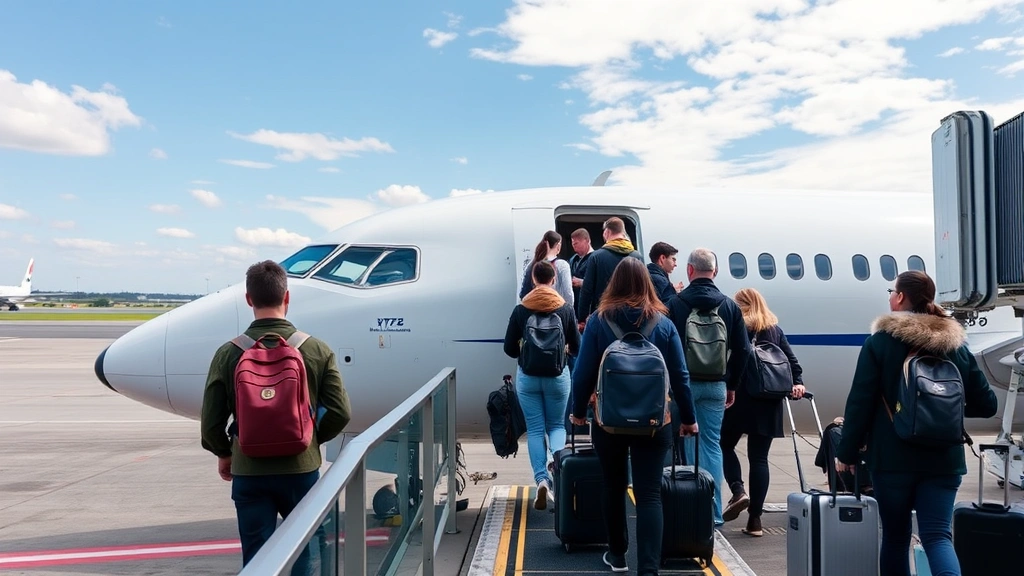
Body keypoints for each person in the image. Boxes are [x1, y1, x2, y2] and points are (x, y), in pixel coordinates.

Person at [835, 271, 998, 576]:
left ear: (899, 298)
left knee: (896, 538)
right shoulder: (955, 346)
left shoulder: (880, 343)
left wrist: (846, 453)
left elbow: (860, 403)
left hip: (892, 458)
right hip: (944, 459)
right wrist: (943, 410)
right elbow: (987, 404)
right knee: (938, 537)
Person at [200, 260, 352, 573]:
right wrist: (307, 437)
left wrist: (224, 453)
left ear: (248, 299)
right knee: (304, 553)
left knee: (256, 557)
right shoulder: (316, 350)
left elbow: (211, 421)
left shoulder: (229, 353)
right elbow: (340, 411)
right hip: (301, 468)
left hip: (249, 470)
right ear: (287, 297)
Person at [571, 257, 698, 575]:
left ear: (614, 283)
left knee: (613, 487)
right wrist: (689, 418)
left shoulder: (599, 321)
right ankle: (649, 569)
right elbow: (680, 376)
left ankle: (617, 555)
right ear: (646, 283)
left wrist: (577, 414)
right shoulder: (664, 323)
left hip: (608, 422)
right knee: (650, 494)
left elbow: (583, 372)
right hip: (656, 423)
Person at [667, 248, 751, 527]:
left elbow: (666, 348)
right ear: (714, 272)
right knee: (712, 447)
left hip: (683, 386)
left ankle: (691, 510)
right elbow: (743, 350)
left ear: (690, 271)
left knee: (685, 446)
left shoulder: (675, 304)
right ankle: (714, 514)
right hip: (716, 385)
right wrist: (731, 383)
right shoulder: (729, 306)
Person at [720, 287, 805, 537]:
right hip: (768, 400)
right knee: (759, 459)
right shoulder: (774, 330)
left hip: (738, 398)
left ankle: (738, 490)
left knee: (724, 445)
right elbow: (791, 362)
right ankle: (755, 520)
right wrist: (798, 382)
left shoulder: (735, 326)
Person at [504, 260, 580, 510]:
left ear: (534, 279)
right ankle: (556, 469)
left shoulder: (521, 309)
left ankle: (541, 480)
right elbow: (577, 347)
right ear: (554, 280)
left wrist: (525, 353)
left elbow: (508, 348)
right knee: (557, 426)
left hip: (528, 378)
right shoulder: (565, 309)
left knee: (535, 430)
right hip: (558, 377)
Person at [576, 217, 643, 329]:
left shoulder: (596, 257)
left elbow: (587, 290)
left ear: (607, 232)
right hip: (633, 318)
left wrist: (582, 318)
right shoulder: (637, 257)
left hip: (603, 317)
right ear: (623, 232)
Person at [519, 230, 574, 307]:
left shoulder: (532, 265)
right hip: (556, 310)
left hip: (534, 311)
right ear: (558, 245)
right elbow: (568, 294)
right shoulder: (562, 265)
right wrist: (568, 312)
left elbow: (523, 294)